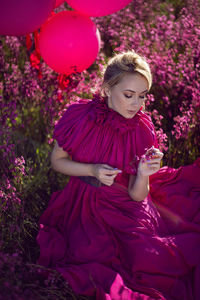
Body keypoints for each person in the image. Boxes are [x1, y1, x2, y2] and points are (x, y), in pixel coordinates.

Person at [36, 51, 200, 300]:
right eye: (128, 95)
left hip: (126, 205)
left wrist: (143, 174)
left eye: (142, 96)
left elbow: (137, 195)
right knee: (90, 254)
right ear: (106, 89)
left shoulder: (142, 129)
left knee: (150, 258)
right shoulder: (80, 117)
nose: (136, 104)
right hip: (85, 202)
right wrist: (91, 170)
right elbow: (57, 162)